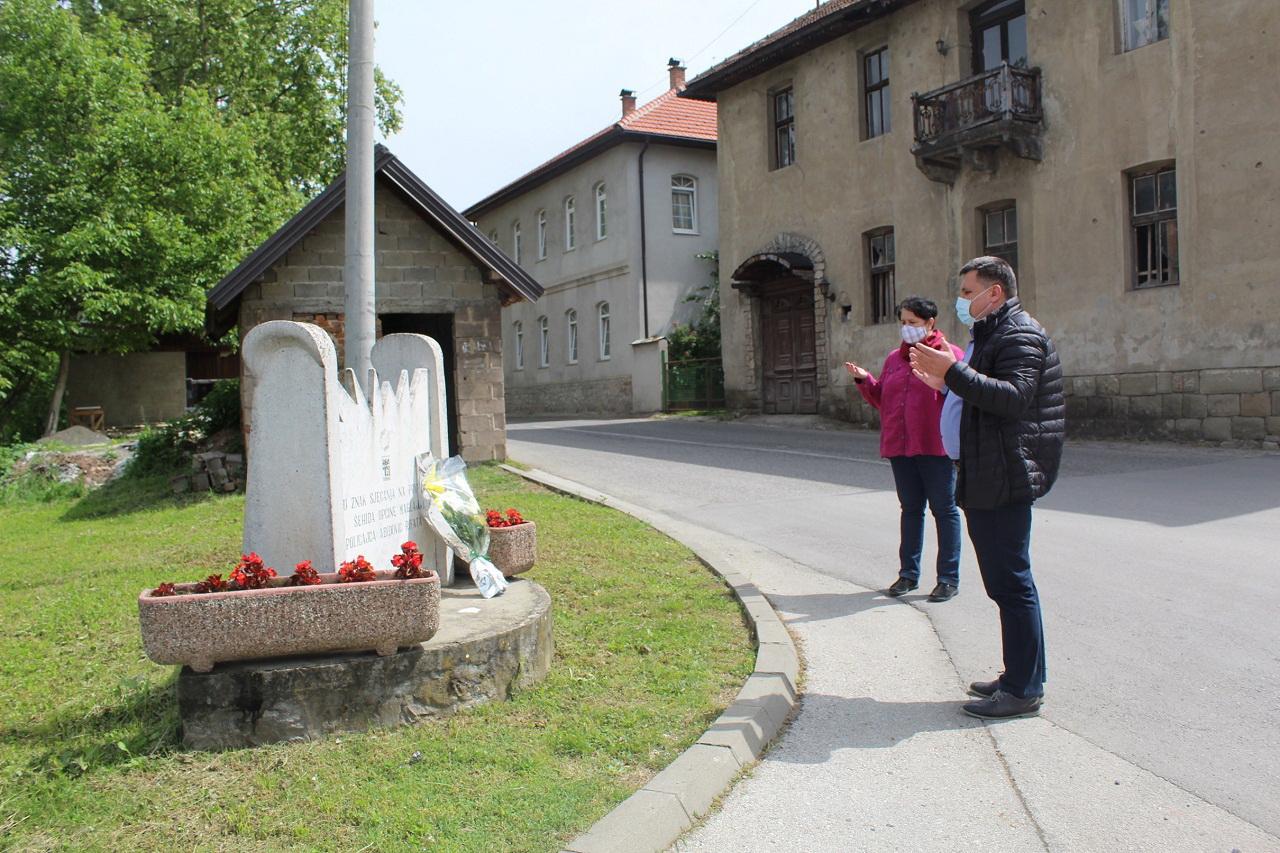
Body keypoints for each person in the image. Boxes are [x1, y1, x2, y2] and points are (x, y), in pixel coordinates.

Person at [909, 256, 1065, 720]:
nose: (961, 299)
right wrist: (946, 382)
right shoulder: (991, 334)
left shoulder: (1019, 334)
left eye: (967, 291)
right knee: (1003, 583)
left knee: (1012, 583)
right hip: (985, 470)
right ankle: (1019, 674)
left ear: (993, 292)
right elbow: (983, 396)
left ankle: (1022, 689)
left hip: (1005, 473)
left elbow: (1014, 398)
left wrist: (953, 373)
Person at [845, 296, 965, 603]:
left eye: (913, 323)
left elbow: (961, 399)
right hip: (901, 447)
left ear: (930, 323)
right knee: (911, 510)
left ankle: (948, 579)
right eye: (903, 322)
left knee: (944, 511)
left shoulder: (948, 355)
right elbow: (882, 400)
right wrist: (865, 380)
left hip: (936, 447)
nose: (907, 328)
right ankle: (908, 575)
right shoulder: (893, 359)